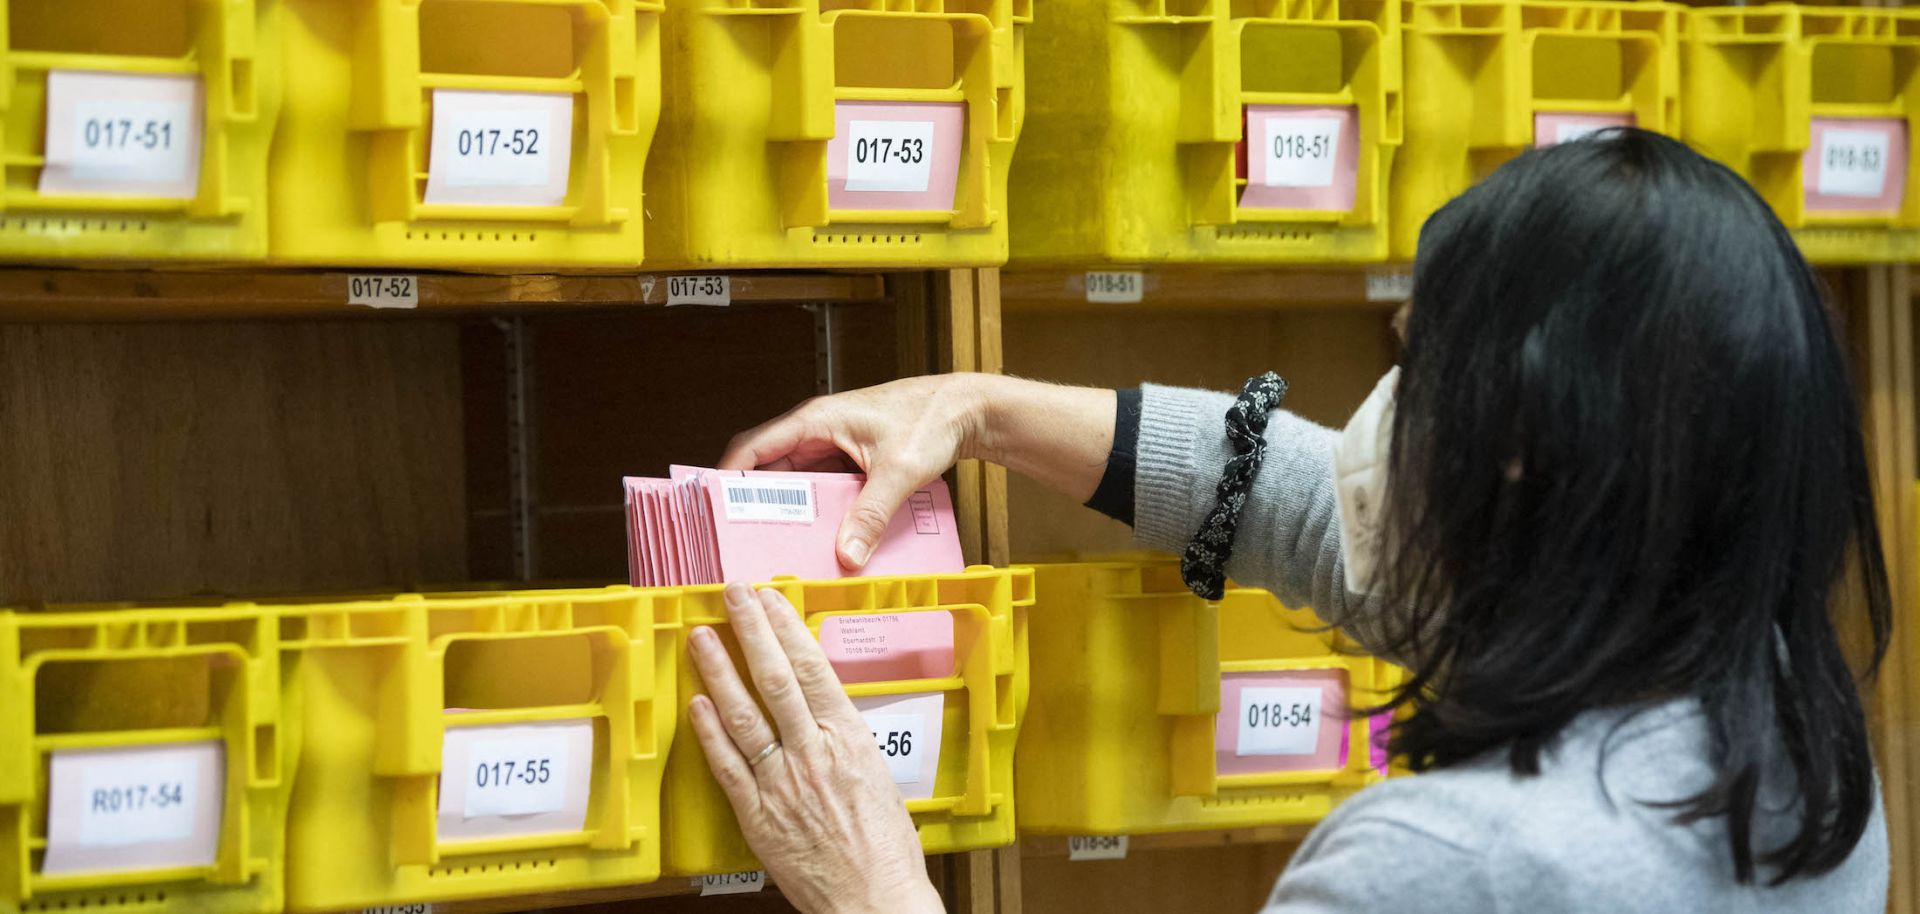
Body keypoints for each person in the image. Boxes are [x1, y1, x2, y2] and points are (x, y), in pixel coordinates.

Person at [682, 129, 1892, 911]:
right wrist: (977, 405)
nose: (1388, 417)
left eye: (1420, 366)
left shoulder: (1444, 867)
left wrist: (874, 885)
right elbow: (1305, 502)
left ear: (1521, 452)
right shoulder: (1784, 748)